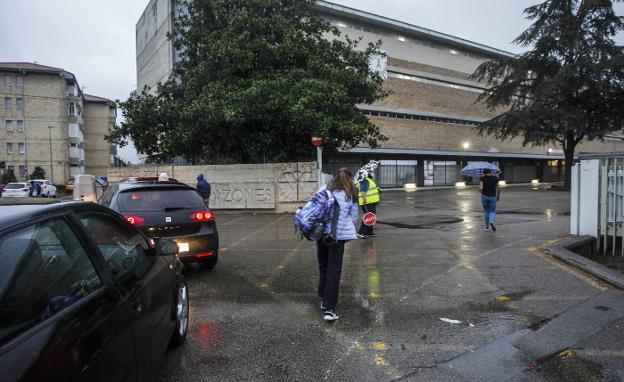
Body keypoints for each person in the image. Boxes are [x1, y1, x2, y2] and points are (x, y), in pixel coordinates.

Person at [317, 168, 358, 322]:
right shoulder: (351, 193)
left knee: (324, 266)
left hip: (321, 234)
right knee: (334, 272)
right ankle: (329, 309)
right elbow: (353, 218)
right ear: (349, 178)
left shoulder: (325, 188)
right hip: (337, 237)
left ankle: (323, 299)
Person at [356, 171, 380, 238]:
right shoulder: (365, 180)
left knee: (371, 217)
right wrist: (364, 200)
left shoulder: (369, 180)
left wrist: (377, 189)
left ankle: (369, 232)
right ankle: (361, 232)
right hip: (367, 203)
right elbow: (363, 191)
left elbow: (370, 190)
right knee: (368, 216)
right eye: (371, 173)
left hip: (371, 202)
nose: (372, 174)